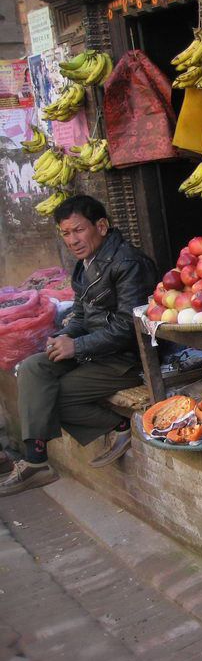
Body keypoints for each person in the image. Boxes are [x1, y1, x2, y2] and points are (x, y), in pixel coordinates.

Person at [0, 195, 157, 496]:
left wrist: (79, 346)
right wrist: (66, 335)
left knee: (52, 397)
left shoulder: (128, 263)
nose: (72, 240)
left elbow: (129, 326)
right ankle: (36, 462)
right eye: (66, 233)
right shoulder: (84, 265)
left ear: (101, 226)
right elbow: (82, 314)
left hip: (127, 357)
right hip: (94, 349)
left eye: (78, 230)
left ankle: (117, 426)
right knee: (32, 367)